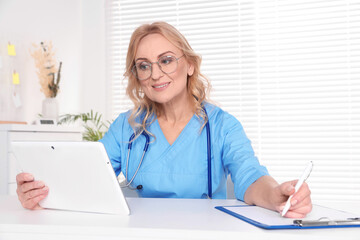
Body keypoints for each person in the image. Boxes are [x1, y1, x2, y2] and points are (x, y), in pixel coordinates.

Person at [16, 22, 312, 218]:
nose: (155, 74)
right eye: (144, 66)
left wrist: (275, 195)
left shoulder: (222, 126)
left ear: (190, 65)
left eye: (166, 60)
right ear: (138, 77)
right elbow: (87, 177)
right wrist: (39, 192)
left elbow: (250, 176)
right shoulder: (126, 127)